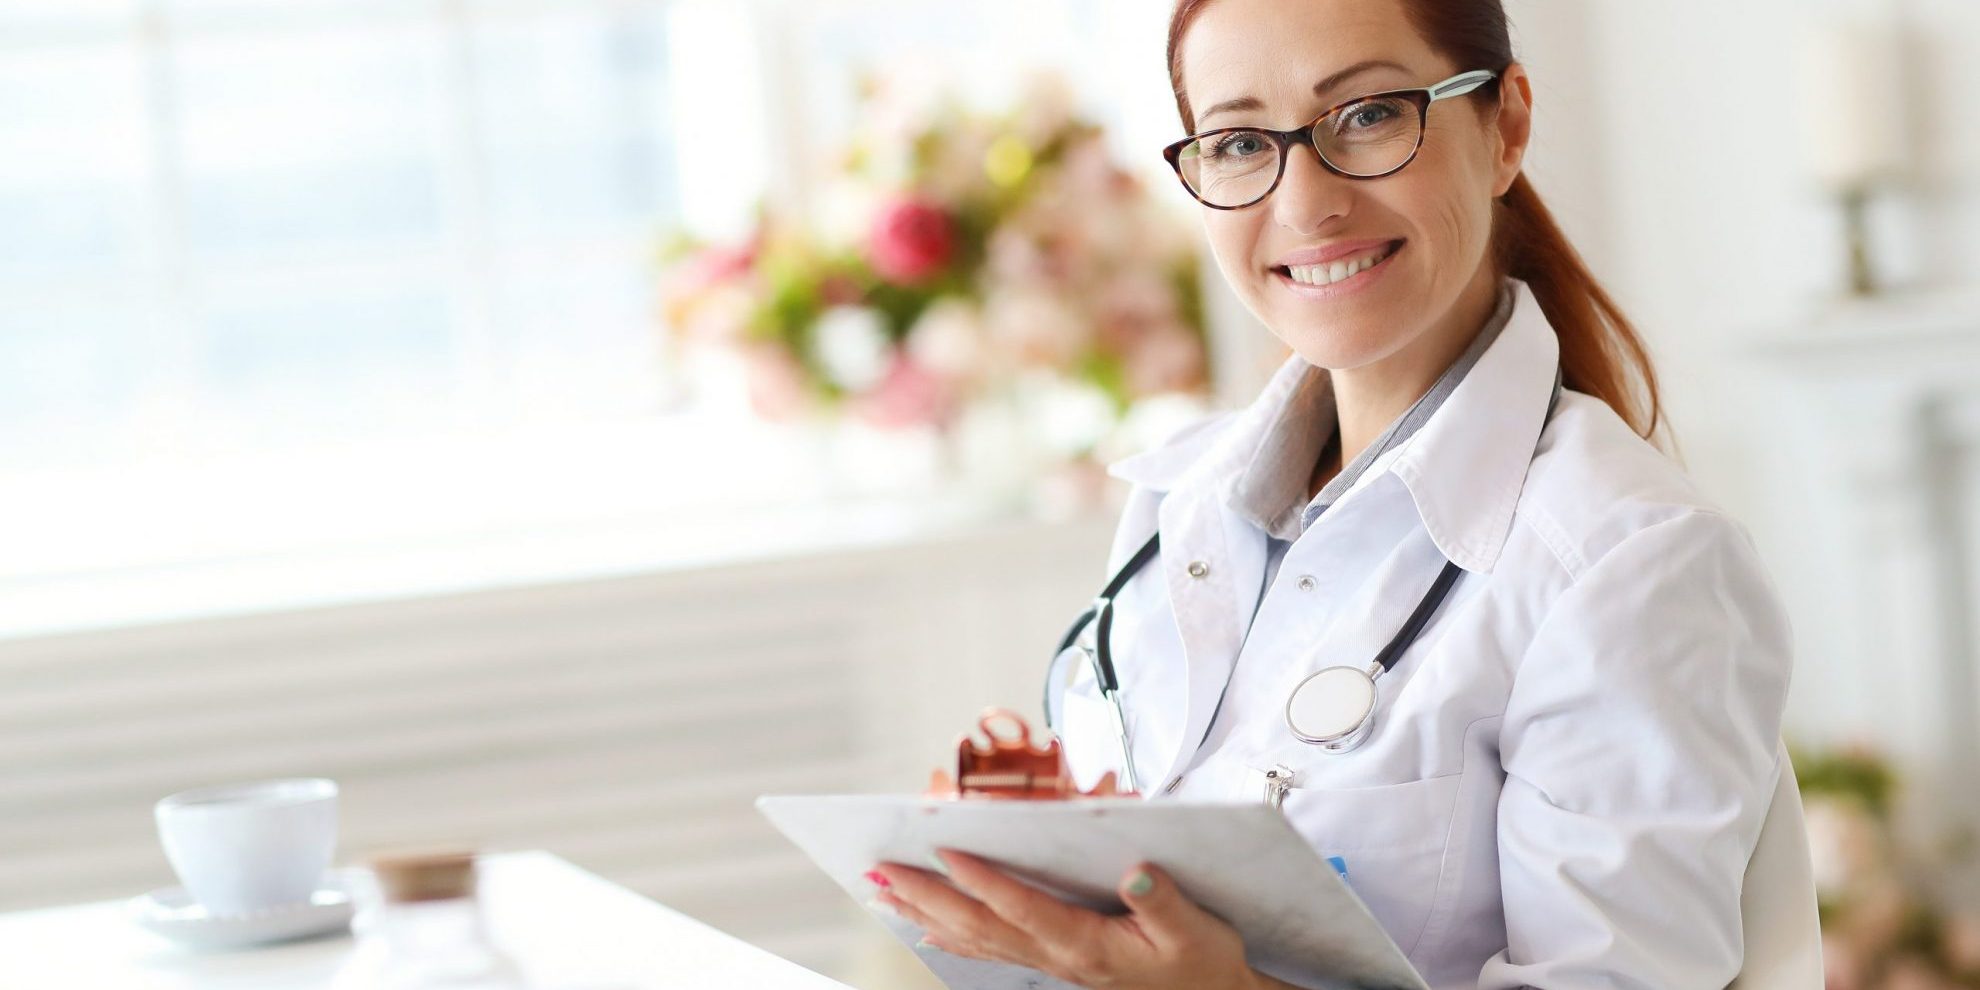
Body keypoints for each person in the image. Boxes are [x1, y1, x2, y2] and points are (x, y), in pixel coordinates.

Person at [866, 0, 1802, 986]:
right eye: (1236, 142)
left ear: (1506, 127)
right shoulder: (1175, 503)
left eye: (1368, 116)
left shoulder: (1629, 560)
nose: (1306, 205)